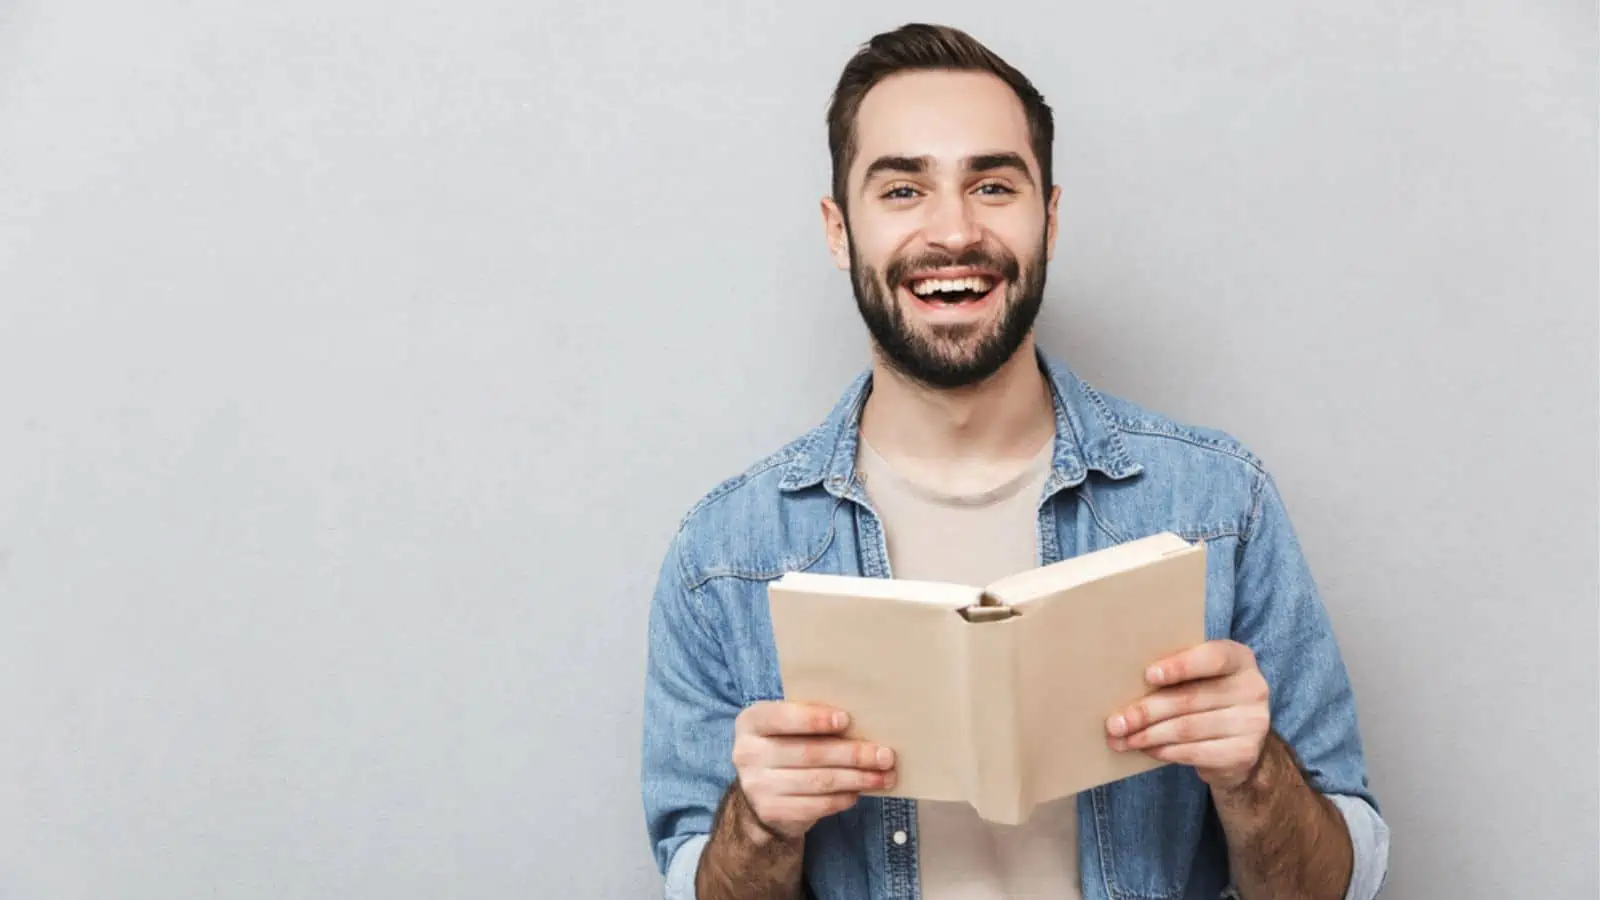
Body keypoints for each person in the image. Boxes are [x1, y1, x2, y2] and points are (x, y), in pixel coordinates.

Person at [639, 22, 1389, 900]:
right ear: (839, 231)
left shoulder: (1222, 505)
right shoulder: (721, 555)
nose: (952, 230)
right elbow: (698, 885)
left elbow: (1342, 884)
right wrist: (760, 823)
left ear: (1051, 219)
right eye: (903, 190)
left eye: (993, 185)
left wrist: (1253, 770)